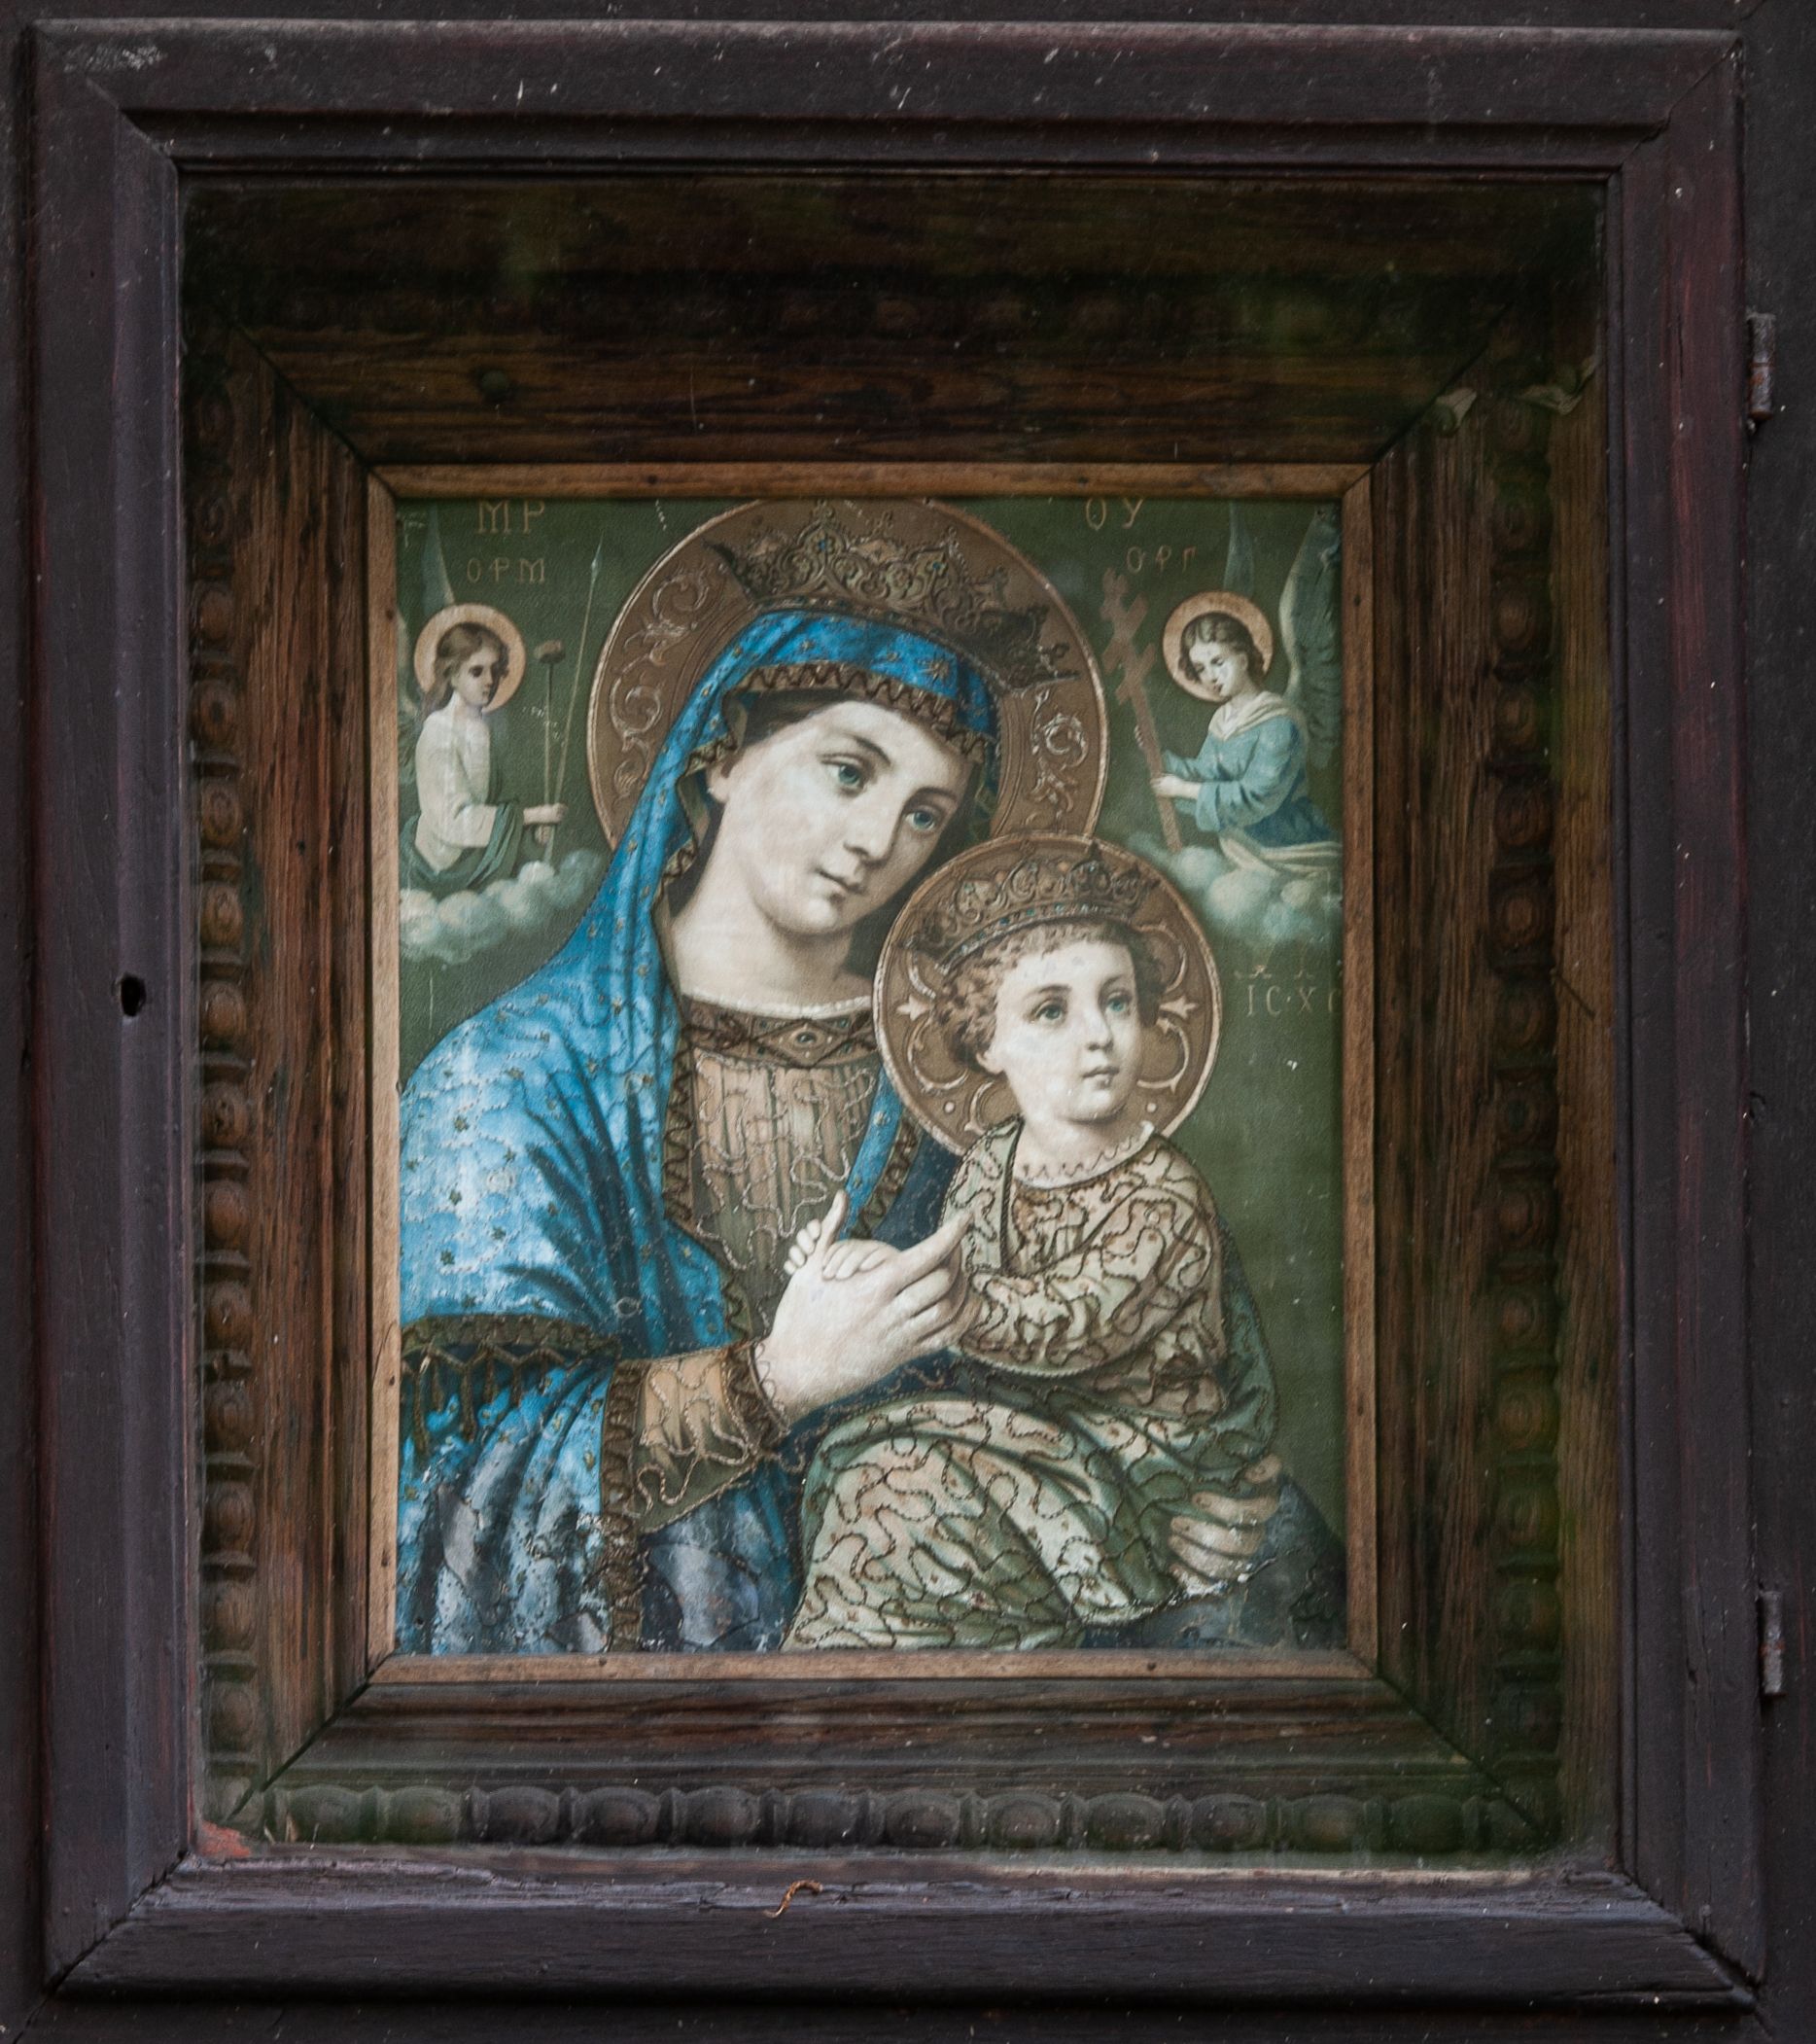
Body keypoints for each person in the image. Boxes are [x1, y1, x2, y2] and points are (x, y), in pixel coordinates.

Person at [395, 606, 1001, 1654]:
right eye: (849, 772)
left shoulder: (969, 1078)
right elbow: (467, 1486)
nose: (876, 842)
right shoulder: (508, 1076)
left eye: (922, 815)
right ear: (721, 755)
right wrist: (776, 1381)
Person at [785, 849, 1284, 1650]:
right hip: (1025, 1441)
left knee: (900, 1493)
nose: (1099, 1036)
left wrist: (934, 1292)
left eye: (1117, 1001)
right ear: (988, 1042)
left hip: (1139, 1471)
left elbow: (1072, 1321)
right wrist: (855, 1271)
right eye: (1052, 1011)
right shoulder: (991, 1162)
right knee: (874, 1482)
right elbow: (963, 1277)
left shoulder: (1165, 1192)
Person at [1148, 606, 1336, 858]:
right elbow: (1208, 773)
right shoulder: (1222, 720)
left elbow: (1258, 795)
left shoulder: (1278, 722)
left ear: (1243, 659)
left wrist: (1184, 789)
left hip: (1288, 847)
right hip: (1241, 847)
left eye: (1218, 662)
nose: (1210, 676)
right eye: (1200, 669)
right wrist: (1157, 756)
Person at [402, 616, 567, 899]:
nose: (490, 680)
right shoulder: (437, 734)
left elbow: (496, 805)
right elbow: (452, 822)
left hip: (479, 855)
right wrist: (533, 816)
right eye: (476, 672)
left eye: (495, 670)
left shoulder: (482, 730)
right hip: (440, 866)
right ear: (452, 675)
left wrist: (530, 831)